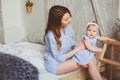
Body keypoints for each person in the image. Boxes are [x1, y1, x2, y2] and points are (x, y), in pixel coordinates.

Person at [44, 5, 102, 80]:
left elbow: (71, 44)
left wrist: (87, 49)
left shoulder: (68, 28)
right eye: (66, 19)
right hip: (55, 64)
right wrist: (78, 50)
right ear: (57, 21)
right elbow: (59, 58)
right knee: (89, 60)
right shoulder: (50, 35)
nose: (70, 20)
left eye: (69, 17)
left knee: (90, 56)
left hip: (68, 56)